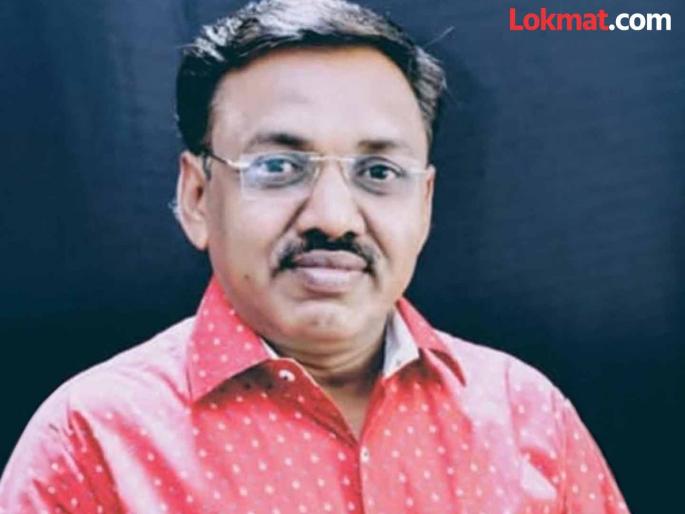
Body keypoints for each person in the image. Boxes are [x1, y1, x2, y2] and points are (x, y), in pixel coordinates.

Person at [0, 0, 630, 512]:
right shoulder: (88, 441)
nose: (333, 217)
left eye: (378, 172)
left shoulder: (526, 414)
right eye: (278, 166)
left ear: (425, 205)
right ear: (196, 197)